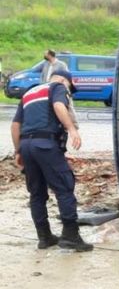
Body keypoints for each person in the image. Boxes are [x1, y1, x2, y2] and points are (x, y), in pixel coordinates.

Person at [10, 69, 92, 252]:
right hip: (45, 145)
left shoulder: (29, 93)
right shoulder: (57, 87)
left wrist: (18, 151)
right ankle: (71, 236)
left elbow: (15, 125)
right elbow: (58, 105)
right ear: (63, 80)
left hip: (26, 146)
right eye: (69, 87)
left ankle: (44, 237)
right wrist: (72, 129)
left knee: (37, 193)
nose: (69, 91)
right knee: (64, 187)